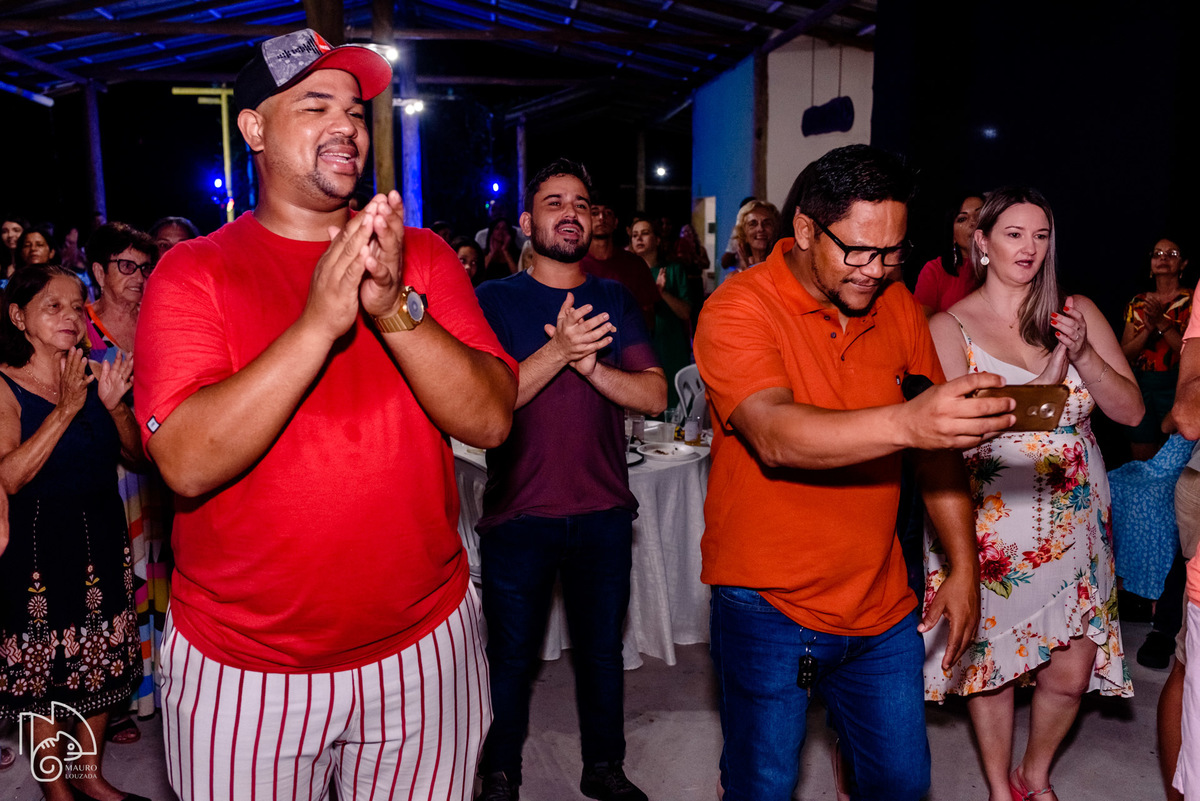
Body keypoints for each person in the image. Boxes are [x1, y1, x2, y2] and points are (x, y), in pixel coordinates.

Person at [133, 28, 517, 801]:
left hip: (425, 647)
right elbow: (184, 461)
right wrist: (316, 325)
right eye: (315, 105)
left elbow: (490, 419)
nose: (346, 124)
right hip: (247, 668)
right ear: (254, 129)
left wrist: (394, 307)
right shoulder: (194, 271)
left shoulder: (421, 257)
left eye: (355, 109)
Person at [694, 144, 1014, 801]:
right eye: (859, 251)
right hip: (767, 604)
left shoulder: (897, 306)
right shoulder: (738, 307)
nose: (876, 270)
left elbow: (937, 448)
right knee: (763, 784)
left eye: (892, 252)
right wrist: (909, 422)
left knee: (901, 782)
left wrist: (964, 565)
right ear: (805, 229)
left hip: (880, 604)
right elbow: (774, 433)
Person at [922, 186, 1143, 801]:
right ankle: (1001, 787)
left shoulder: (1076, 311)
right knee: (992, 667)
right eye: (1014, 234)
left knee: (1071, 673)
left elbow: (1130, 412)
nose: (1029, 247)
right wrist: (1044, 384)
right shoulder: (948, 326)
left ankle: (1034, 772)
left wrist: (1083, 355)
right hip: (992, 523)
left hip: (1075, 520)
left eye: (1041, 235)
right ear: (982, 243)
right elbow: (951, 433)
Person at [473, 158, 666, 801]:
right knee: (510, 657)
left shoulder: (613, 298)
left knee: (601, 652)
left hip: (603, 508)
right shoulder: (494, 300)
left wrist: (591, 369)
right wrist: (560, 351)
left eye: (581, 204)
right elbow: (490, 404)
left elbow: (654, 395)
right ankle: (499, 771)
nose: (570, 213)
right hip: (519, 511)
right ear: (527, 222)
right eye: (554, 203)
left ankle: (603, 767)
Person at [0, 264, 145, 801]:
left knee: (98, 662)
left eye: (76, 306)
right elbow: (7, 476)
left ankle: (87, 772)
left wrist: (114, 406)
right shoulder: (4, 384)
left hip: (101, 538)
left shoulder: (94, 372)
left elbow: (137, 457)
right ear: (19, 317)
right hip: (37, 552)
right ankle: (55, 788)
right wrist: (64, 410)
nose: (70, 316)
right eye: (52, 306)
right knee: (41, 675)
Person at [84, 223, 169, 739]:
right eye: (126, 266)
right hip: (107, 473)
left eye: (145, 267)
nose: (139, 276)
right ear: (99, 271)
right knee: (115, 581)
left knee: (158, 577)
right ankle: (113, 698)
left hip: (160, 468)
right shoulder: (80, 326)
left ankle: (155, 690)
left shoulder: (159, 319)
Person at [1121, 238, 1190, 462]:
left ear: (1183, 264)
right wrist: (1147, 330)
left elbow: (1189, 352)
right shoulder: (1138, 303)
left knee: (1178, 451)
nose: (1163, 258)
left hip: (1178, 384)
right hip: (1142, 384)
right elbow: (1124, 354)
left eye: (1172, 254)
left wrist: (1162, 322)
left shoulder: (1191, 301)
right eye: (1157, 254)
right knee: (1142, 449)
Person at [629, 213, 693, 409]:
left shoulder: (673, 270)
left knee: (673, 408)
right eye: (635, 235)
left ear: (657, 239)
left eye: (645, 233)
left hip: (670, 349)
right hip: (640, 349)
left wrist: (661, 293)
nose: (639, 238)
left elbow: (685, 312)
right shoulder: (628, 272)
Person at [581, 197, 658, 330]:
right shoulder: (573, 265)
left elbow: (649, 318)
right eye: (594, 213)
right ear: (586, 220)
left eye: (608, 213)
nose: (601, 218)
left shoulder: (635, 264)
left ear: (615, 222)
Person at [912, 193, 984, 316]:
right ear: (952, 236)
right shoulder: (935, 271)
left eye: (979, 215)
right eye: (962, 219)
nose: (973, 222)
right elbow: (922, 322)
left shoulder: (1003, 266)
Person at [723, 199, 778, 275]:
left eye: (767, 223)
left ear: (775, 229)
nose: (760, 229)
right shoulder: (734, 277)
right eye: (753, 224)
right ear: (743, 233)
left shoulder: (785, 267)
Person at [479, 217, 521, 283]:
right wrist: (491, 253)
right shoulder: (482, 253)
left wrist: (505, 251)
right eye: (497, 228)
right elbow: (478, 276)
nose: (500, 232)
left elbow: (519, 276)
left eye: (504, 229)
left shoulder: (518, 254)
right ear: (492, 233)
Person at [1, 216, 26, 281]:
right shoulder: (3, 265)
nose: (10, 235)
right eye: (4, 231)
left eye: (16, 230)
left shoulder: (32, 263)